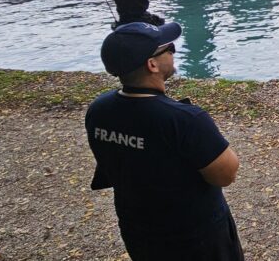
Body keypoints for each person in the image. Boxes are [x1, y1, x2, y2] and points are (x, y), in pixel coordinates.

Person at [86, 22, 243, 260]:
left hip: (138, 228)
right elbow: (225, 174)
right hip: (194, 236)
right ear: (152, 64)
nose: (173, 51)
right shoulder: (185, 119)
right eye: (168, 47)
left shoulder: (99, 109)